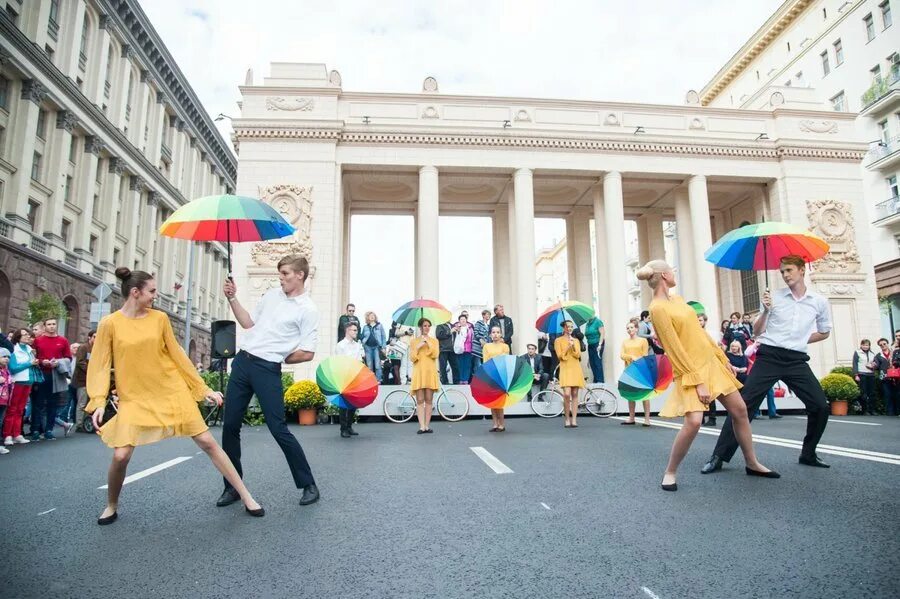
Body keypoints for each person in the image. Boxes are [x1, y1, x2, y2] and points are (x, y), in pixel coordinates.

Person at [86, 268, 264, 525]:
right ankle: (112, 504)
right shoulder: (109, 324)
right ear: (135, 292)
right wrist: (98, 400)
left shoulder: (159, 319)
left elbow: (178, 357)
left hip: (170, 391)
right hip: (134, 397)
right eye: (152, 291)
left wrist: (202, 390)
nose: (155, 296)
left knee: (208, 443)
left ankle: (246, 496)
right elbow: (101, 365)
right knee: (121, 456)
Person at [638, 260, 777, 491]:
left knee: (740, 410)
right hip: (690, 369)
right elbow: (673, 348)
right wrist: (698, 380)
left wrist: (724, 361)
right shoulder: (657, 308)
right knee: (693, 422)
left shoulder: (679, 300)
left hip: (711, 362)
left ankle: (752, 462)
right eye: (672, 271)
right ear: (663, 276)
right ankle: (670, 471)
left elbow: (699, 335)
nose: (675, 274)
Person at [702, 255, 833, 474]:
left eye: (789, 270)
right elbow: (757, 332)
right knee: (743, 406)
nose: (785, 275)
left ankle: (808, 453)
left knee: (820, 406)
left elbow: (824, 331)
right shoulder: (774, 297)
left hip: (796, 360)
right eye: (782, 272)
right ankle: (719, 456)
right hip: (769, 356)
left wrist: (800, 340)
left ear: (802, 270)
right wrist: (765, 310)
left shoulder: (818, 302)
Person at [219, 255, 321, 508]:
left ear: (300, 275)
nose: (281, 278)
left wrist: (276, 356)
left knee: (278, 429)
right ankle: (232, 487)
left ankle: (308, 484)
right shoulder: (272, 295)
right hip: (242, 363)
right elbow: (247, 322)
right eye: (280, 274)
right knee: (230, 425)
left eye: (285, 273)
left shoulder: (308, 309)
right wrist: (232, 298)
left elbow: (307, 352)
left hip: (267, 368)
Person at [29, 318, 73, 440]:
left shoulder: (63, 340)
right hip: (41, 373)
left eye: (54, 324)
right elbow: (32, 356)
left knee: (52, 404)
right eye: (49, 324)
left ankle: (49, 430)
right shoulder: (38, 340)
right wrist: (43, 361)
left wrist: (57, 363)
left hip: (56, 375)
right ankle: (35, 430)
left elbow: (69, 358)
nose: (52, 326)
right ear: (45, 326)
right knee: (38, 403)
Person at [3, 329, 37, 446]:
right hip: (17, 381)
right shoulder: (14, 349)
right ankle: (7, 434)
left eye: (28, 334)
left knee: (20, 410)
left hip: (28, 381)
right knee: (12, 409)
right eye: (25, 335)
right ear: (18, 337)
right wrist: (30, 363)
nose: (28, 337)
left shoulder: (29, 349)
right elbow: (13, 368)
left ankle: (17, 434)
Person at [334, 322, 364, 438]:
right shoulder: (340, 345)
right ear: (347, 331)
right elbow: (338, 362)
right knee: (343, 404)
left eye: (356, 330)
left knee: (353, 403)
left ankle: (349, 426)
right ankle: (343, 428)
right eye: (354, 330)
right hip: (344, 376)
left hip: (355, 375)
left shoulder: (357, 345)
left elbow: (360, 359)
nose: (356, 332)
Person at [410, 318, 439, 434]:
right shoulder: (414, 341)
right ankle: (421, 426)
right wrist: (418, 347)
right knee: (420, 399)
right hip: (419, 371)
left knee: (429, 399)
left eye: (428, 326)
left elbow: (435, 354)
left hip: (430, 371)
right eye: (424, 326)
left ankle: (427, 425)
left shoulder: (434, 341)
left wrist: (428, 344)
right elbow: (412, 358)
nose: (427, 328)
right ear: (420, 327)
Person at [620, 321, 650, 427]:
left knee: (645, 394)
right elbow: (622, 355)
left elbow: (645, 355)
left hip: (641, 369)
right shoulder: (625, 342)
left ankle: (647, 419)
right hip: (629, 370)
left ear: (636, 329)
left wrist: (637, 360)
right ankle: (631, 417)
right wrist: (630, 357)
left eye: (632, 327)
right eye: (628, 328)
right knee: (630, 394)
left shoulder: (643, 340)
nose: (630, 329)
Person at [555, 320, 584, 428]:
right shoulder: (558, 340)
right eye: (568, 326)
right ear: (564, 328)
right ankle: (567, 418)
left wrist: (573, 345)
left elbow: (578, 355)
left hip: (575, 367)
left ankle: (574, 419)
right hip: (565, 368)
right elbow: (560, 356)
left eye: (572, 326)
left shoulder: (575, 340)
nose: (570, 328)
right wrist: (567, 346)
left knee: (575, 394)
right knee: (567, 394)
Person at [482, 326, 510, 431]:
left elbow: (505, 360)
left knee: (499, 401)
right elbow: (485, 361)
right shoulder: (486, 346)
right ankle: (495, 423)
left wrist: (495, 359)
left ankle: (501, 424)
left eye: (498, 332)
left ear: (501, 334)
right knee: (492, 401)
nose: (495, 334)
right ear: (490, 334)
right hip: (490, 374)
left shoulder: (505, 346)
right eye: (493, 332)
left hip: (501, 375)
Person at [744, 339, 781, 419]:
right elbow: (747, 354)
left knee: (770, 392)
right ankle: (755, 413)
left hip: (765, 372)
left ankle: (772, 412)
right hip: (754, 371)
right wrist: (755, 344)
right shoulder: (752, 347)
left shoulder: (766, 349)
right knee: (756, 392)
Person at [72, 330, 96, 431]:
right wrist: (92, 371)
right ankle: (79, 424)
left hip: (93, 380)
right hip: (82, 380)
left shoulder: (98, 349)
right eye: (95, 337)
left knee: (90, 403)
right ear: (89, 337)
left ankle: (87, 423)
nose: (96, 339)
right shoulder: (83, 347)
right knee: (82, 403)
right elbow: (80, 362)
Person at [873, 338, 899, 416]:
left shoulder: (894, 352)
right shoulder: (878, 355)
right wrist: (873, 365)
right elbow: (877, 365)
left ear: (887, 343)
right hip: (885, 377)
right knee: (887, 395)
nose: (883, 346)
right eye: (881, 345)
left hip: (895, 377)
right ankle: (890, 412)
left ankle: (897, 411)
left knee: (897, 394)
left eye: (884, 344)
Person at [852, 339, 877, 415]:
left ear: (869, 346)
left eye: (867, 345)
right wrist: (856, 375)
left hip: (871, 374)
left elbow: (875, 363)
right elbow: (855, 364)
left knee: (872, 393)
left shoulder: (872, 353)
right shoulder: (857, 352)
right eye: (864, 345)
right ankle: (865, 410)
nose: (865, 346)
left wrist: (874, 365)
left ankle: (872, 410)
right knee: (863, 393)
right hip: (862, 374)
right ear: (861, 345)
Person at [360, 311, 387, 383]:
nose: (372, 316)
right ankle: (370, 381)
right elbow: (362, 336)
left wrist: (384, 347)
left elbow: (383, 337)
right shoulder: (365, 327)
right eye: (370, 315)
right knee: (369, 365)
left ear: (375, 317)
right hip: (367, 347)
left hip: (377, 347)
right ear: (367, 318)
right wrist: (362, 344)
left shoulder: (379, 325)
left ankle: (378, 380)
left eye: (373, 315)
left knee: (378, 364)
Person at [584, 316, 605, 384]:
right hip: (590, 344)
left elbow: (602, 333)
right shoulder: (588, 324)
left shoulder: (597, 321)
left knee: (597, 362)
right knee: (592, 363)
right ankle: (596, 379)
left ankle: (600, 380)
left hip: (597, 343)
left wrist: (600, 344)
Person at [454, 314, 475, 383]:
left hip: (468, 349)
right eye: (461, 319)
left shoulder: (470, 329)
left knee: (467, 365)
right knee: (460, 365)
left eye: (464, 319)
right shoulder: (456, 328)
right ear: (459, 321)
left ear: (466, 320)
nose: (463, 320)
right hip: (460, 349)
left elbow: (472, 339)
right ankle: (461, 379)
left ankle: (465, 379)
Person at [0, 348, 12, 454]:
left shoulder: (6, 370)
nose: (6, 359)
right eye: (4, 356)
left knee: (0, 422)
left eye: (8, 357)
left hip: (4, 400)